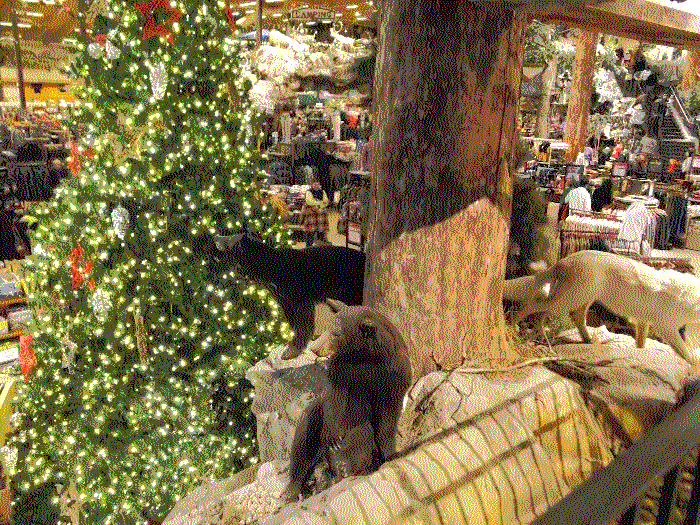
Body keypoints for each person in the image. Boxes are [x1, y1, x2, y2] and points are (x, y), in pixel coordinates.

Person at [302, 178, 330, 247]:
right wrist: (320, 203)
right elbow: (309, 201)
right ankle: (308, 246)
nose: (316, 185)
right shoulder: (309, 192)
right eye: (315, 184)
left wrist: (317, 204)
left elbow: (326, 202)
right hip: (311, 215)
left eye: (318, 184)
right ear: (312, 184)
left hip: (321, 215)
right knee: (310, 231)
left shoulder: (322, 192)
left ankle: (320, 246)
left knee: (321, 231)